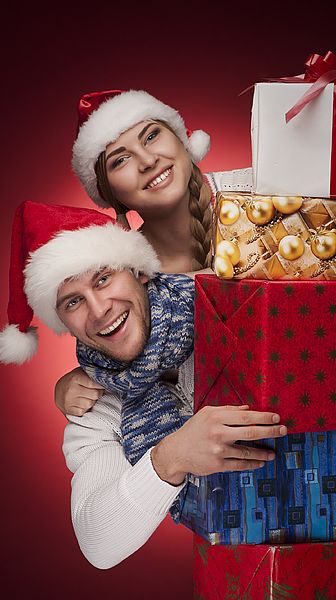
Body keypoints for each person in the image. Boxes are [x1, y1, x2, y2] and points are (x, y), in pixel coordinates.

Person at [0, 201, 286, 569]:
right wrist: (171, 457)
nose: (99, 310)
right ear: (64, 323)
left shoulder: (226, 295)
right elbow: (97, 542)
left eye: (103, 279)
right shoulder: (95, 405)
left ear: (139, 272)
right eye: (73, 302)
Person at [56, 89, 252, 417]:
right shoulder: (124, 277)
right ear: (110, 194)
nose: (147, 161)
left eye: (152, 136)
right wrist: (77, 382)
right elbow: (119, 355)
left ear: (181, 140)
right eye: (121, 159)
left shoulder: (262, 192)